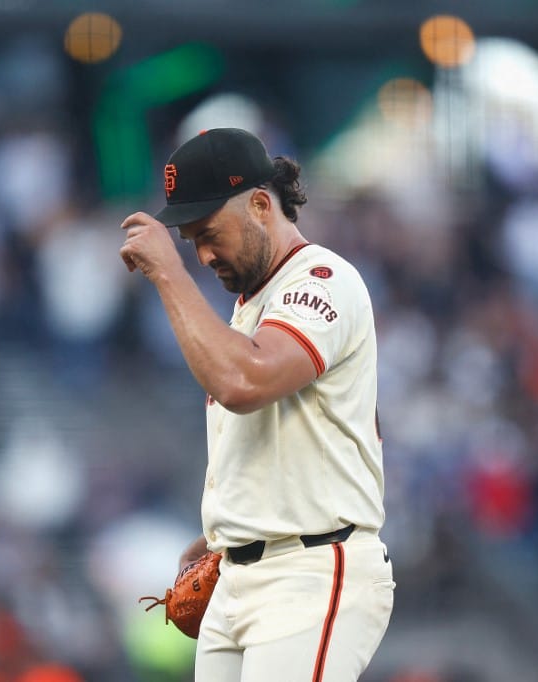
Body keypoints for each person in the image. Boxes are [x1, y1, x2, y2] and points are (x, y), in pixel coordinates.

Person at [119, 128, 393, 681]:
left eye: (209, 232)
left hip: (311, 572)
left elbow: (245, 382)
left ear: (262, 205)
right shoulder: (251, 307)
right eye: (190, 240)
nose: (201, 253)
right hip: (240, 578)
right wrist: (222, 532)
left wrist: (167, 273)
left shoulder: (321, 280)